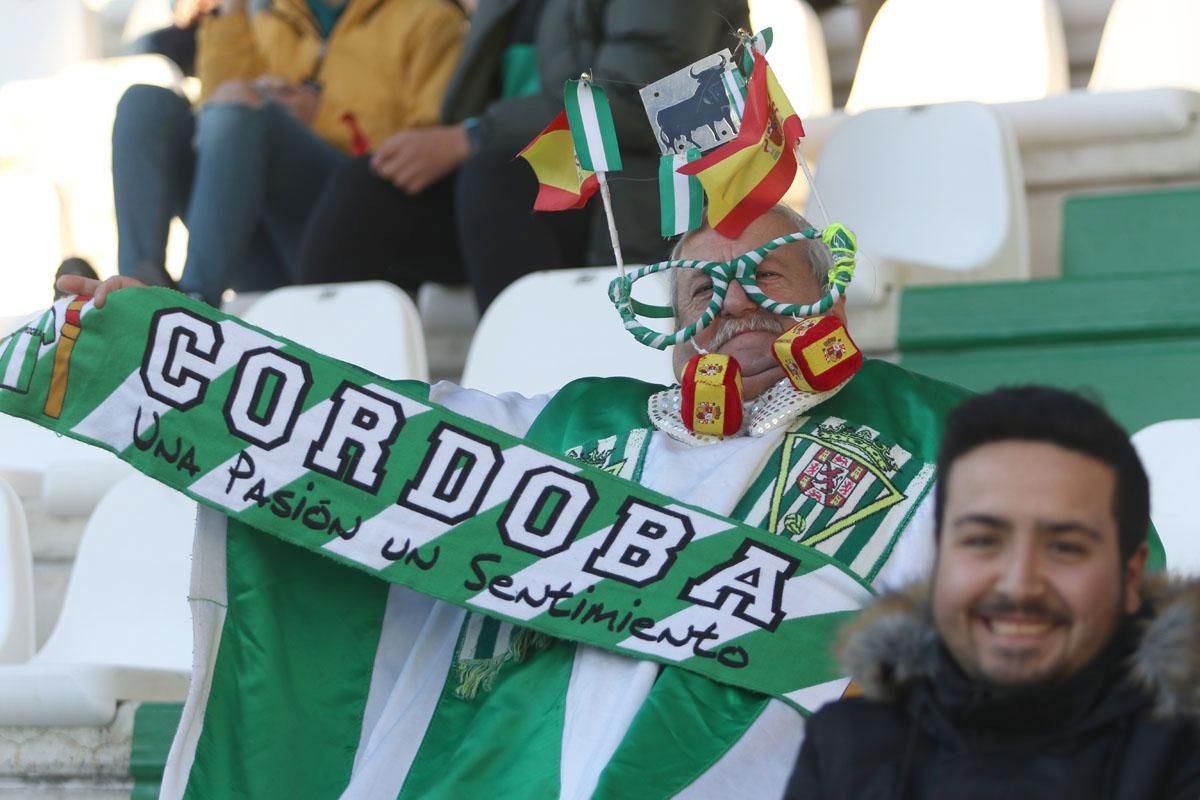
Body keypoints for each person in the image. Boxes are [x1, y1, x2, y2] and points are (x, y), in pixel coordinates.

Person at [56, 204, 970, 796]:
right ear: (668, 330)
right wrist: (167, 349)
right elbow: (364, 437)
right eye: (701, 288)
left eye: (765, 273)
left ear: (827, 292)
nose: (732, 303)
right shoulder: (576, 425)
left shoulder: (938, 433)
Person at [786, 386, 1200, 800]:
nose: (1019, 584)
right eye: (983, 540)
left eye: (1066, 547)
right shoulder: (846, 746)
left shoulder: (1182, 753)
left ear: (1130, 577)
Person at [293, 0, 751, 312]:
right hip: (514, 195)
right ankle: (315, 400)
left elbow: (639, 96)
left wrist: (472, 136)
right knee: (367, 187)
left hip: (641, 191)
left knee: (496, 177)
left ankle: (528, 398)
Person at [110, 0, 465, 305]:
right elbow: (217, 114)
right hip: (253, 235)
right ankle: (135, 290)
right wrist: (233, 9)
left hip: (350, 232)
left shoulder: (430, 18)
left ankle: (194, 300)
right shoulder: (276, 16)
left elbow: (421, 155)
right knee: (144, 103)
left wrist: (320, 115)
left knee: (241, 107)